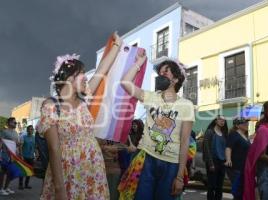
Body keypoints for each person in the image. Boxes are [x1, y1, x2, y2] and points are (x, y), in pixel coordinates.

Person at [37, 32, 122, 200]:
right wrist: (60, 189)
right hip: (68, 172)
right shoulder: (51, 106)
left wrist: (117, 46)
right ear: (69, 78)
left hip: (93, 171)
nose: (86, 78)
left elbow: (102, 69)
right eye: (82, 73)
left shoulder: (84, 102)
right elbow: (54, 149)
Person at [120, 55, 195, 200]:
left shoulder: (187, 105)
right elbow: (125, 82)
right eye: (159, 73)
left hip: (171, 164)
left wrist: (179, 177)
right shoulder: (151, 97)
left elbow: (185, 141)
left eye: (165, 73)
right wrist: (139, 63)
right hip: (147, 159)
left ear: (176, 79)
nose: (161, 76)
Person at [202, 115, 228, 200]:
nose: (222, 121)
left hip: (222, 162)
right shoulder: (210, 132)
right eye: (220, 119)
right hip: (213, 161)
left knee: (219, 187)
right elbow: (206, 148)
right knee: (211, 186)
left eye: (224, 120)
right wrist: (210, 163)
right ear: (216, 121)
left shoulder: (224, 134)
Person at [224, 117, 250, 200]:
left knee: (242, 190)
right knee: (238, 191)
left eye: (247, 123)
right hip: (236, 167)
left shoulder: (245, 136)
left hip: (244, 167)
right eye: (244, 123)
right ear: (237, 125)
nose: (247, 124)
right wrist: (228, 159)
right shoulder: (234, 134)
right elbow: (228, 147)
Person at [0, 117, 19, 195]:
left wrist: (18, 147)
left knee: (11, 173)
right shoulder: (4, 132)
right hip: (5, 155)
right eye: (14, 122)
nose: (15, 124)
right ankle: (1, 189)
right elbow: (0, 142)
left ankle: (6, 187)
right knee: (3, 173)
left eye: (16, 123)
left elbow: (16, 143)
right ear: (9, 123)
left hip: (13, 156)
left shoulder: (16, 133)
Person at [19, 125, 35, 189]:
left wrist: (36, 154)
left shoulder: (34, 138)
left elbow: (35, 147)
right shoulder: (24, 137)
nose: (30, 130)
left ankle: (26, 184)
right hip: (24, 157)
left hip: (31, 157)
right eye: (29, 129)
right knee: (22, 171)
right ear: (27, 130)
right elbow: (20, 147)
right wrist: (21, 155)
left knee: (29, 171)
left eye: (32, 129)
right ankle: (20, 185)